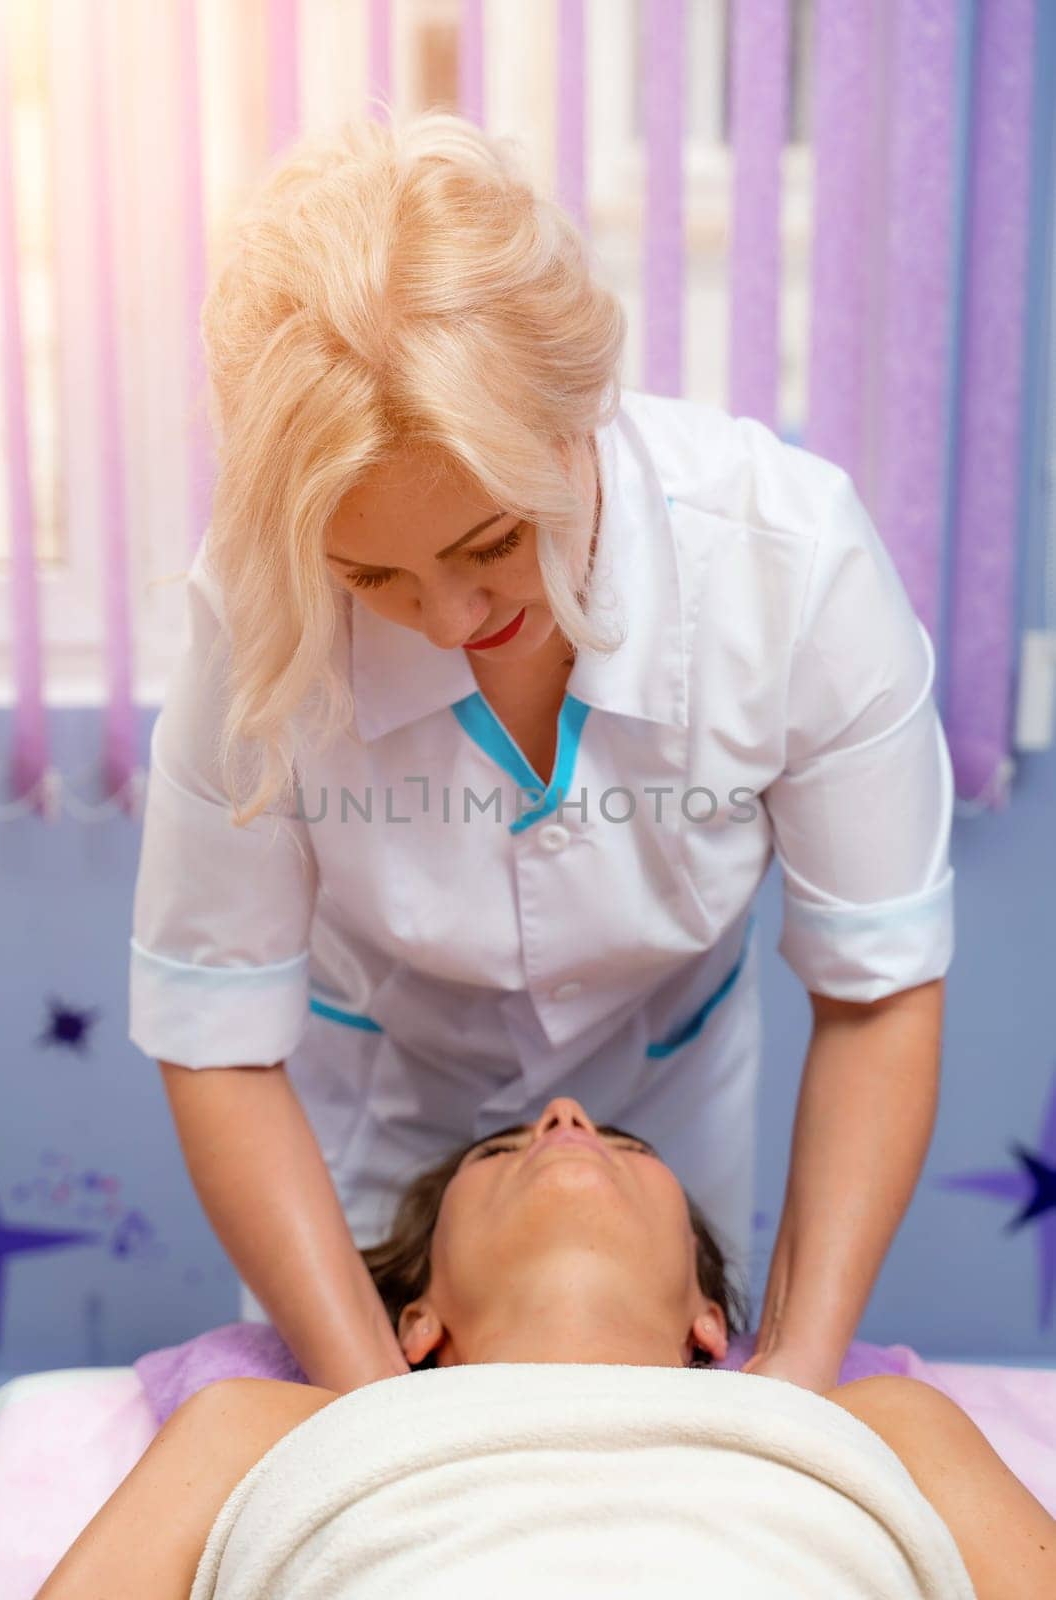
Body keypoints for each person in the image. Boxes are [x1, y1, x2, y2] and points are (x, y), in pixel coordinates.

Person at [128, 107, 955, 1401]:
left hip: (662, 1120)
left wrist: (792, 1372)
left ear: (581, 410)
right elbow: (216, 1032)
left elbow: (876, 988)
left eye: (490, 544)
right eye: (376, 578)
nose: (452, 622)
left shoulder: (787, 565)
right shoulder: (260, 612)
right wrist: (366, 1408)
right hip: (370, 1120)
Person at [33, 1098, 1054, 1598]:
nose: (560, 1113)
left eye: (629, 1144)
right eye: (495, 1149)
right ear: (415, 1323)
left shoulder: (874, 1421)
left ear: (712, 1321)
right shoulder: (257, 1425)